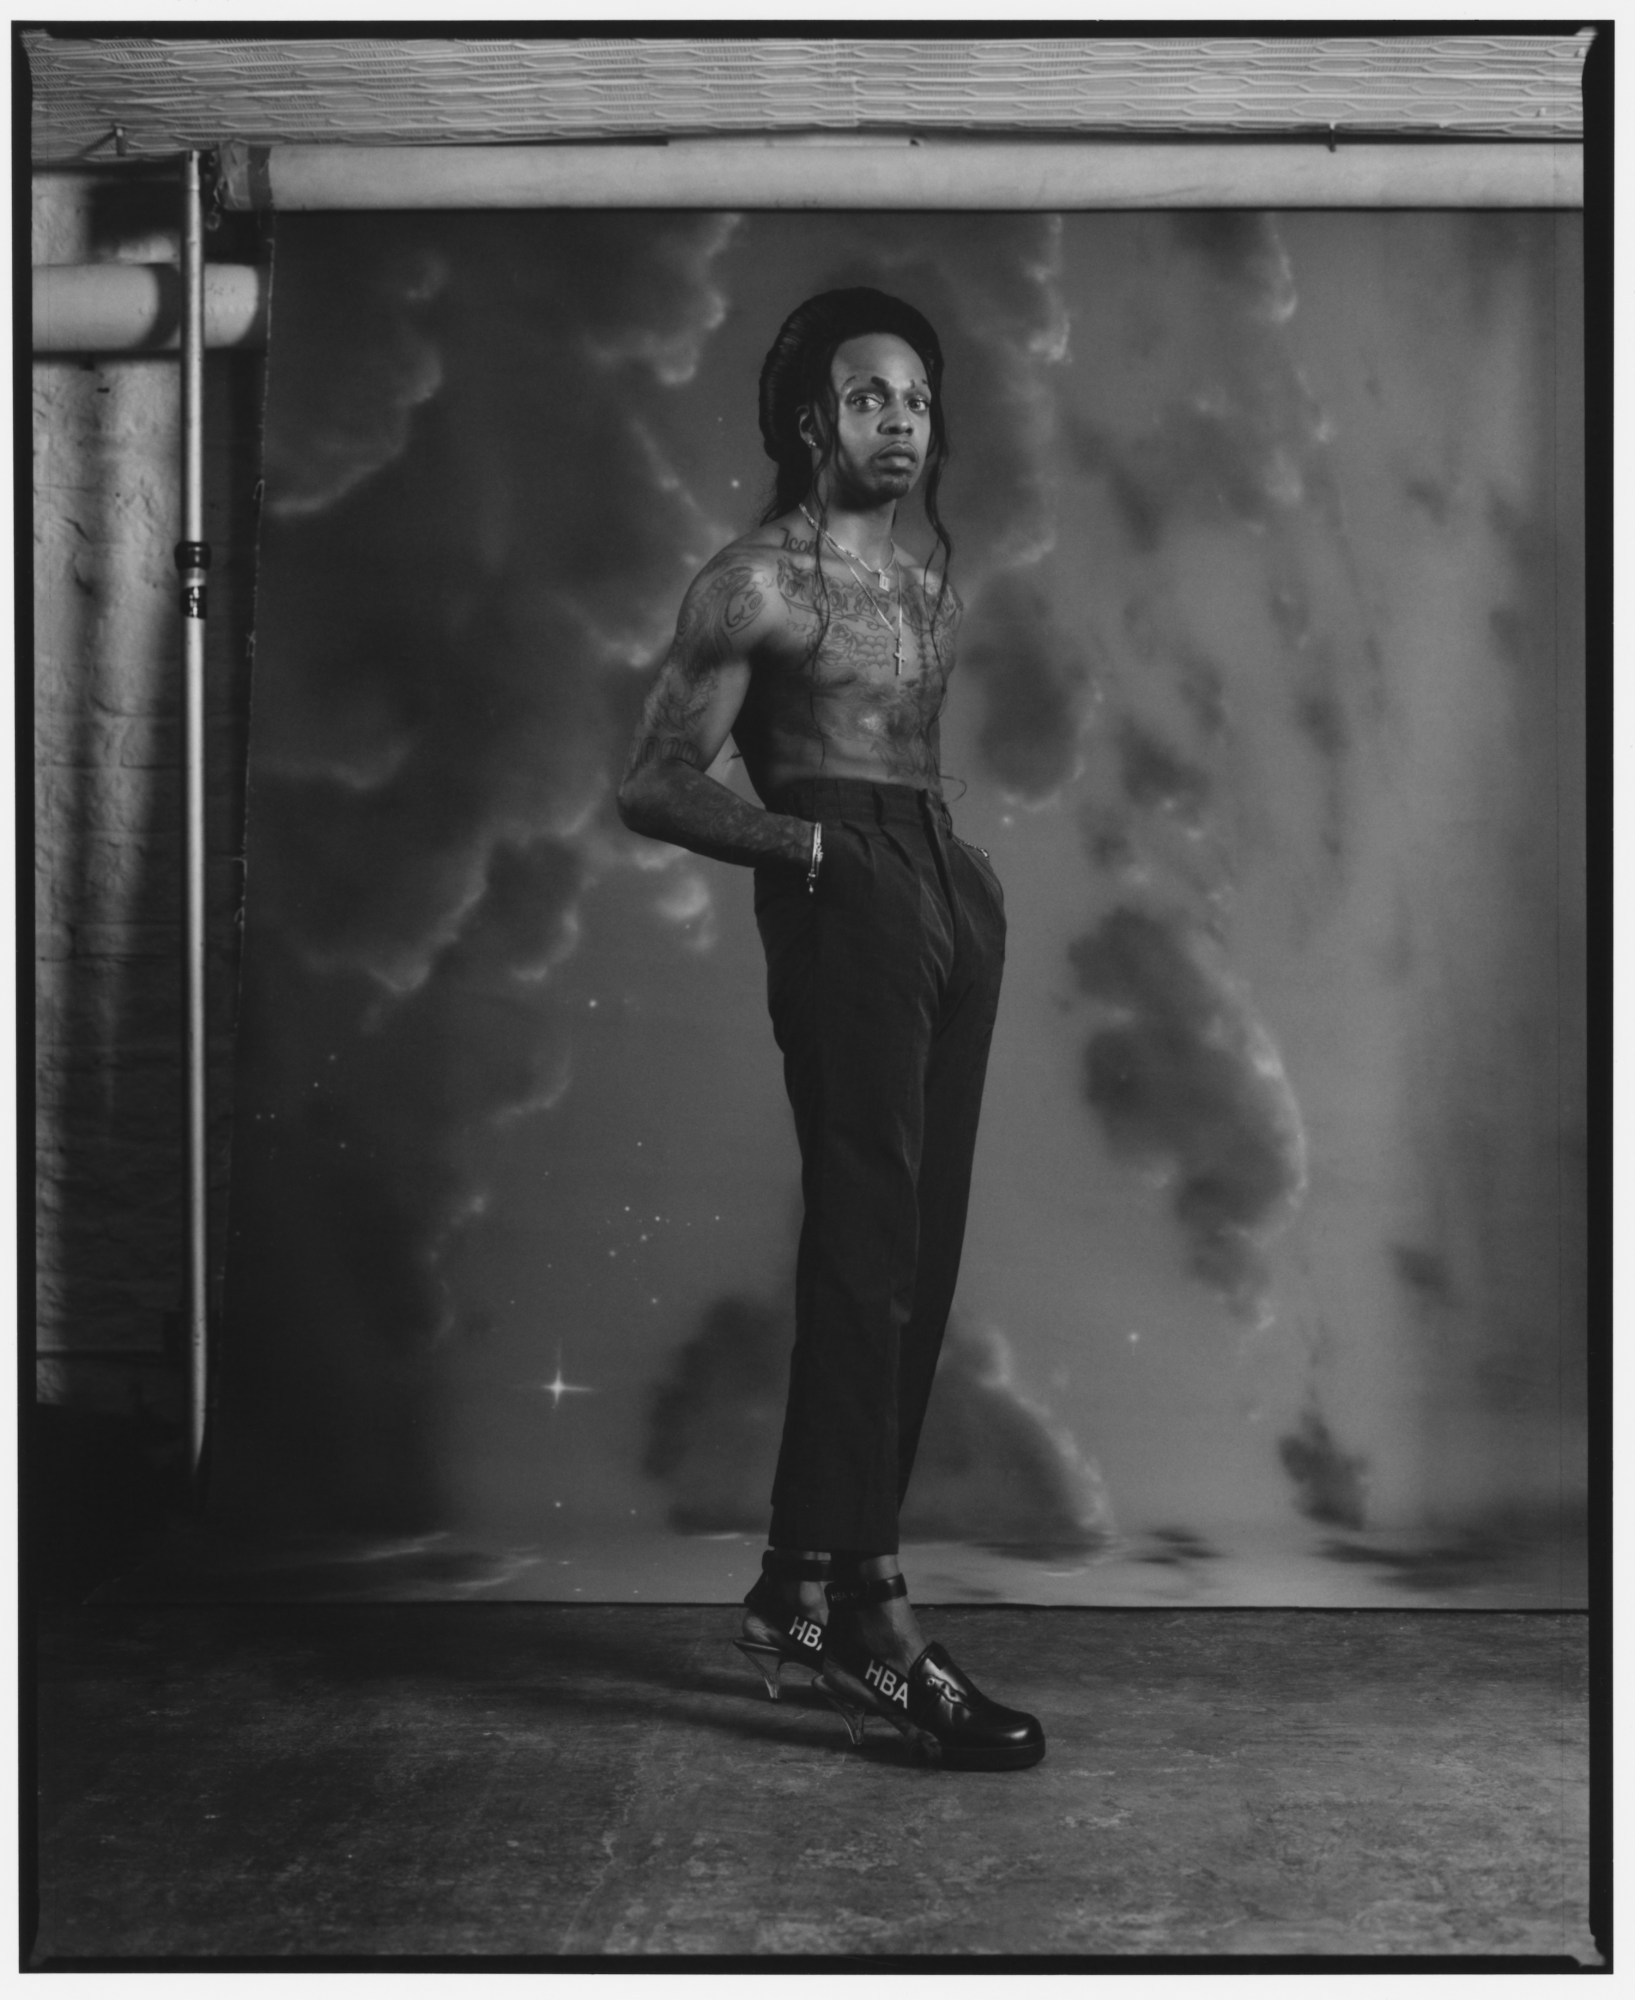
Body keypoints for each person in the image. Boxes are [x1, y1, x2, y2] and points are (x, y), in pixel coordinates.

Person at [617, 288, 1043, 1770]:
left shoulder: (925, 587)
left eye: (917, 398)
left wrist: (956, 876)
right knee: (867, 1252)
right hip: (840, 883)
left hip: (939, 884)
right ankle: (870, 1613)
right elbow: (652, 782)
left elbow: (905, 755)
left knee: (915, 1254)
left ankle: (797, 1589)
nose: (901, 421)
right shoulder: (752, 585)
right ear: (812, 421)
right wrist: (814, 854)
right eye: (870, 397)